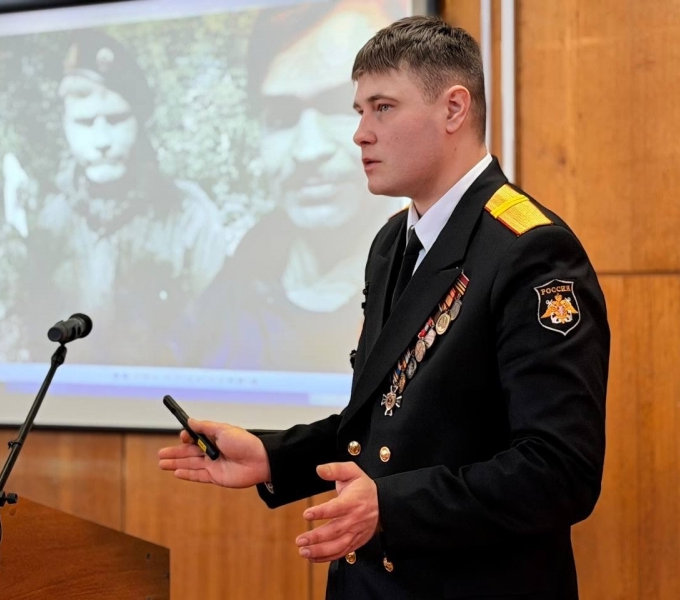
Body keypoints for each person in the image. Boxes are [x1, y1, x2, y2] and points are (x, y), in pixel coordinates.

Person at [159, 15, 609, 600]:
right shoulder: (393, 242)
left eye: (383, 108)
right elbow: (381, 422)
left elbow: (560, 472)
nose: (360, 134)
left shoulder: (531, 251)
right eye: (359, 111)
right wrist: (273, 456)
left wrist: (391, 507)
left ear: (453, 109)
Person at [173, 1, 404, 372]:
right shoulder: (241, 275)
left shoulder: (440, 275)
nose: (308, 150)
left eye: (343, 108)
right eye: (281, 117)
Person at [0, 29, 225, 365]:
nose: (102, 140)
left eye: (117, 119)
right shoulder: (49, 218)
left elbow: (217, 338)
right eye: (85, 122)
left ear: (140, 120)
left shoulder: (189, 215)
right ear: (65, 125)